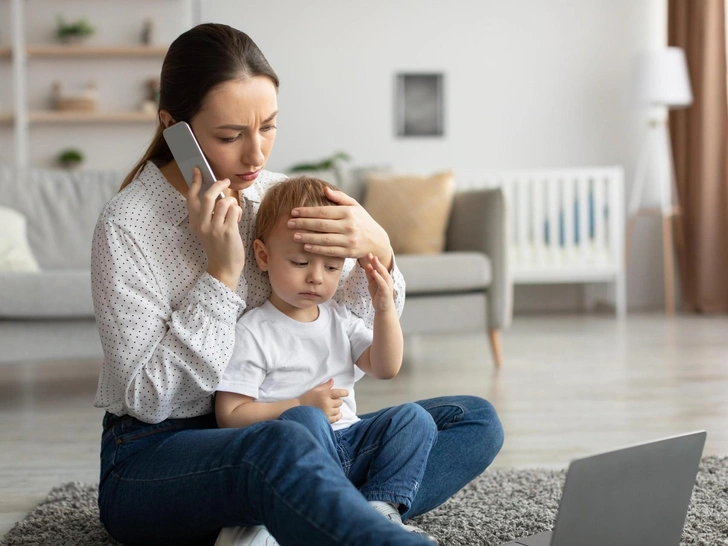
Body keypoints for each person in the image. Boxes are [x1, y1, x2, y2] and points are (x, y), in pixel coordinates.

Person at [91, 22, 504, 546]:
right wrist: (221, 275)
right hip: (156, 457)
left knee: (472, 421)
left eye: (268, 126)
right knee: (286, 442)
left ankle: (285, 514)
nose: (256, 155)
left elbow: (355, 321)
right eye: (229, 136)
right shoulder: (127, 224)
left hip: (297, 430)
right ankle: (360, 527)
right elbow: (148, 399)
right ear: (175, 128)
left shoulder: (281, 198)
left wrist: (378, 247)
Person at [216, 176, 438, 543]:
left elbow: (386, 367)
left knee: (414, 418)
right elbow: (230, 414)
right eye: (300, 261)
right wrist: (301, 404)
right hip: (296, 454)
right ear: (263, 256)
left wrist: (384, 310)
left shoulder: (340, 319)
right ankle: (304, 514)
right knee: (304, 419)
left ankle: (379, 508)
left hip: (349, 442)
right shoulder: (254, 330)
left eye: (332, 267)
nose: (316, 277)